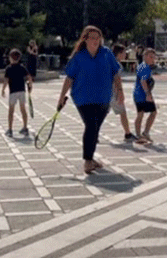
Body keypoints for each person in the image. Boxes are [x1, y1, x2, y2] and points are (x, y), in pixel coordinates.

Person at [57, 26, 124, 174]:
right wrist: (62, 96)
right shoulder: (79, 56)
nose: (95, 40)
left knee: (94, 128)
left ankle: (90, 157)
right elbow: (69, 78)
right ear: (85, 39)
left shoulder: (106, 53)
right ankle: (87, 161)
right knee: (91, 126)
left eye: (97, 38)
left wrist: (120, 91)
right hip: (83, 98)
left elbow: (115, 73)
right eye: (92, 37)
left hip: (103, 98)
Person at [2, 49, 32, 137]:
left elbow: (6, 80)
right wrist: (30, 86)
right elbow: (29, 78)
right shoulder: (22, 67)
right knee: (23, 110)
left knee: (11, 111)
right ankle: (25, 128)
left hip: (13, 92)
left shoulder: (8, 68)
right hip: (22, 91)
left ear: (11, 58)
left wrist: (3, 89)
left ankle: (10, 130)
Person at [111, 44, 136, 142]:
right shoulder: (117, 65)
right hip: (112, 93)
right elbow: (116, 80)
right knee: (123, 112)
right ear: (119, 53)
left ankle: (93, 135)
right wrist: (120, 93)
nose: (126, 55)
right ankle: (127, 134)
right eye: (124, 53)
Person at [134, 49, 158, 144]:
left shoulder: (145, 67)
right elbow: (143, 81)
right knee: (142, 114)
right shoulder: (144, 67)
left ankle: (144, 133)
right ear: (145, 56)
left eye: (154, 57)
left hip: (142, 94)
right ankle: (139, 134)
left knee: (152, 112)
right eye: (150, 57)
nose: (153, 59)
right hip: (141, 95)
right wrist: (148, 94)